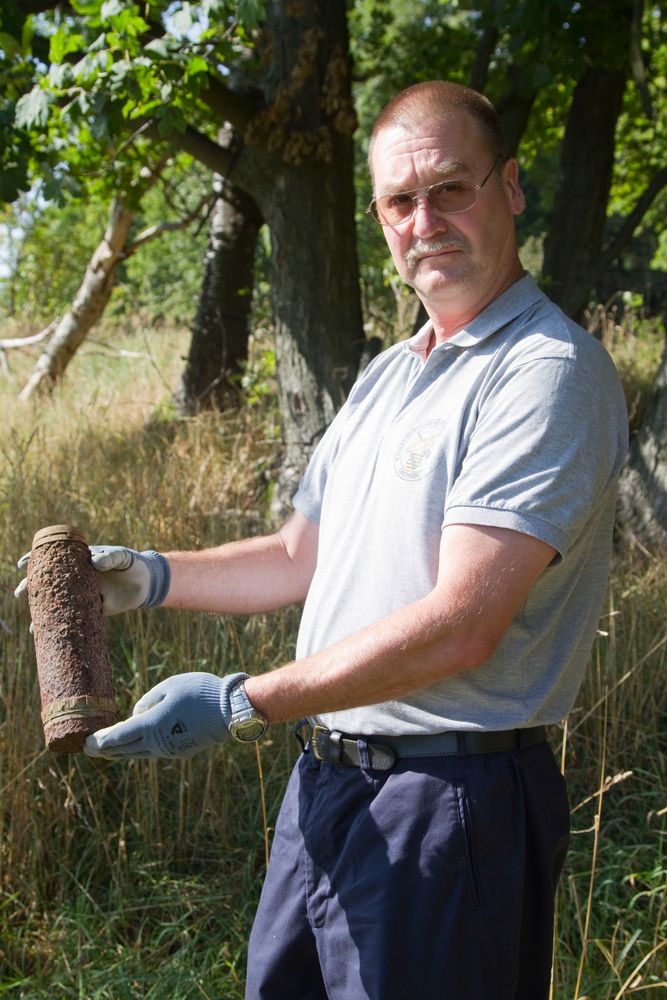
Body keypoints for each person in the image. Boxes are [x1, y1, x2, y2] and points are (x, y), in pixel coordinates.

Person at [17, 81, 628, 999]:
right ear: (378, 217)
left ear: (509, 187)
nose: (424, 220)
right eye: (397, 200)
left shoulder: (544, 371)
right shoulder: (390, 372)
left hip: (446, 805)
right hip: (326, 790)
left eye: (449, 187)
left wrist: (240, 702)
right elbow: (296, 556)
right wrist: (145, 578)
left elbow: (464, 626)